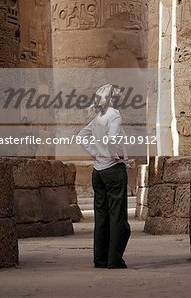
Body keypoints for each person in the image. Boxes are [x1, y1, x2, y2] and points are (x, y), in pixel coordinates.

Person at [78, 84, 131, 269]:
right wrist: (116, 155)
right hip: (113, 170)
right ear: (111, 96)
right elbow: (112, 139)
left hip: (98, 172)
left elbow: (80, 136)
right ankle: (114, 260)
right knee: (118, 218)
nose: (122, 94)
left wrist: (95, 153)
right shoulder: (114, 114)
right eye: (118, 91)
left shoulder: (99, 115)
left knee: (102, 217)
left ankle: (100, 259)